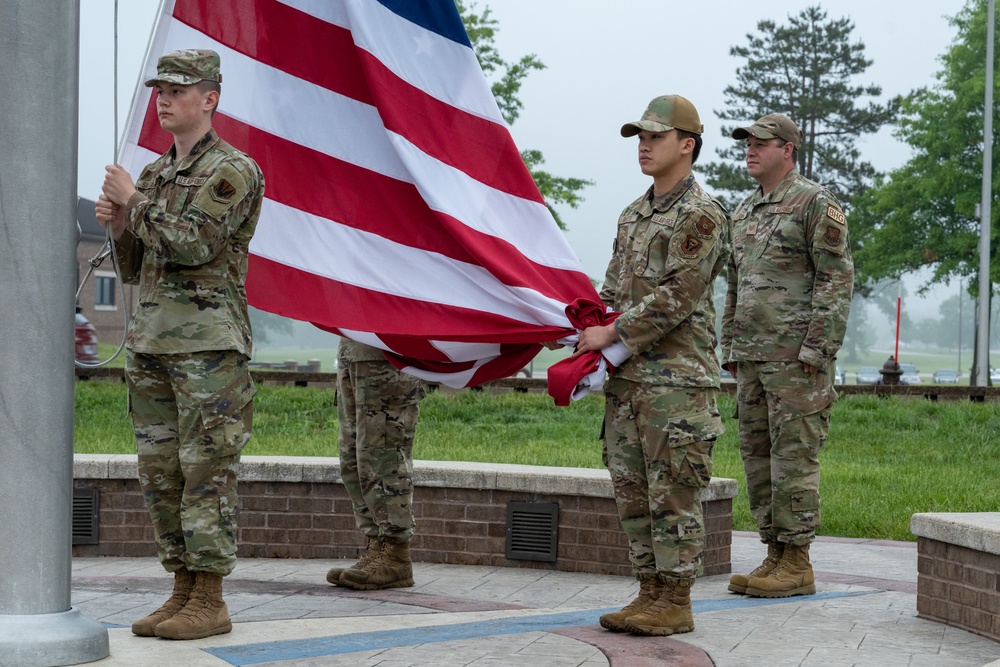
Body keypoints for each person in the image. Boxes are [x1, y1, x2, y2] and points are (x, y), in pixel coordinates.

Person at [94, 49, 265, 640]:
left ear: (210, 98)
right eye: (159, 89)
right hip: (152, 344)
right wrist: (119, 225)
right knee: (161, 473)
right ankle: (183, 588)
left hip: (209, 349)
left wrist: (135, 205)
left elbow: (196, 246)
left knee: (206, 471)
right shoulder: (154, 174)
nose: (164, 98)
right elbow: (137, 267)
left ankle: (211, 597)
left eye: (178, 89)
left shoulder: (233, 169)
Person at [572, 95, 730, 636]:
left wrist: (611, 332)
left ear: (687, 145)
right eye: (639, 136)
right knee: (633, 492)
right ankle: (649, 592)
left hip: (677, 386)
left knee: (675, 494)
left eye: (655, 136)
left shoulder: (702, 215)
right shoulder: (633, 214)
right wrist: (591, 331)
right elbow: (614, 289)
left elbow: (676, 297)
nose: (643, 145)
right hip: (629, 380)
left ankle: (677, 599)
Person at [721, 113, 853, 599]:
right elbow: (734, 284)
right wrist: (730, 346)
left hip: (797, 362)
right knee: (758, 458)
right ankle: (774, 552)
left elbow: (836, 279)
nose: (750, 149)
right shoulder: (743, 212)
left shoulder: (815, 204)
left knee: (794, 459)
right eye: (746, 143)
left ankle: (797, 561)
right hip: (753, 360)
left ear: (787, 149)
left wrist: (818, 349)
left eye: (760, 142)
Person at [325, 339, 425, 590]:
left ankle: (395, 554)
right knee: (354, 460)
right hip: (353, 348)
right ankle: (376, 547)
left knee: (383, 460)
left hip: (386, 351)